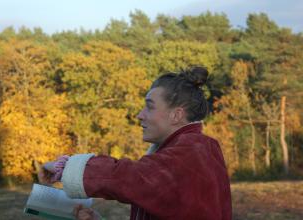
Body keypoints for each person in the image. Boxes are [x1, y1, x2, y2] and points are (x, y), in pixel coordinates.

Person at [40, 66, 232, 220]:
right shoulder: (191, 151)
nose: (140, 115)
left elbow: (131, 177)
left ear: (176, 115)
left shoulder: (192, 152)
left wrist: (65, 167)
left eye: (149, 107)